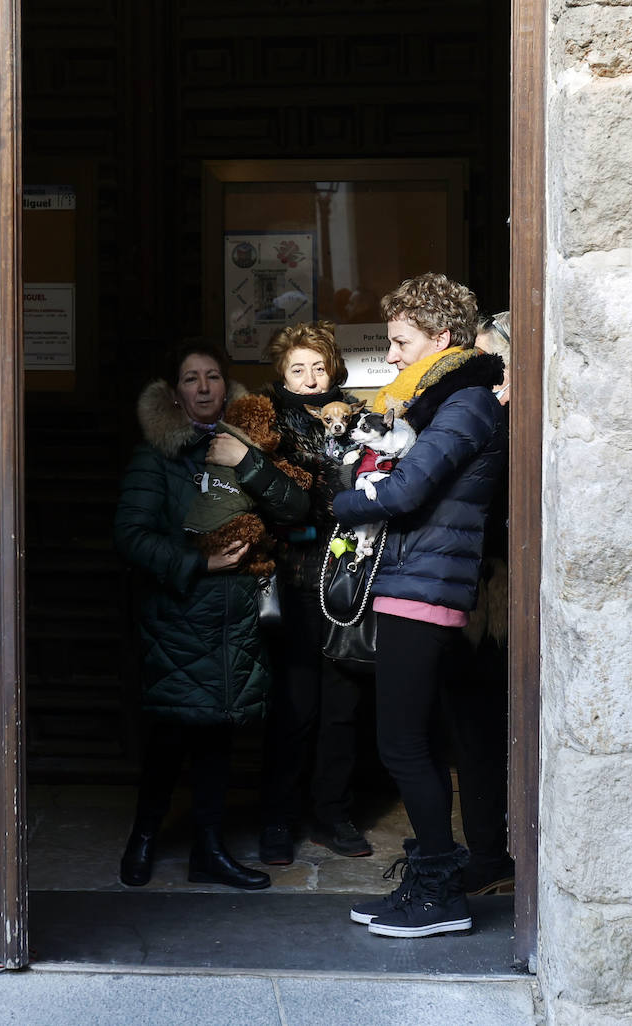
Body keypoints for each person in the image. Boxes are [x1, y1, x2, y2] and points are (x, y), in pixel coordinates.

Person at [334, 272, 507, 938]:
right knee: (415, 745)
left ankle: (439, 892)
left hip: (425, 589)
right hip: (416, 584)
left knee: (402, 746)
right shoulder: (448, 401)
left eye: (401, 340)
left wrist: (342, 503)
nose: (394, 354)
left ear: (441, 337)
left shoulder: (463, 403)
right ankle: (432, 877)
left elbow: (405, 494)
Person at [115, 340, 309, 890]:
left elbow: (295, 508)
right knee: (171, 736)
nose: (204, 388)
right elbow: (129, 535)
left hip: (239, 623)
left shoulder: (247, 444)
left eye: (213, 378)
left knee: (219, 739)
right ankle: (144, 838)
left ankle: (209, 850)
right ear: (175, 395)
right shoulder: (157, 456)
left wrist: (244, 461)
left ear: (227, 387)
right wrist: (196, 562)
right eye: (191, 379)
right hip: (181, 617)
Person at [255, 321, 375, 865]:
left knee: (343, 706)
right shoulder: (267, 421)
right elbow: (281, 499)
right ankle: (279, 817)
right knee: (296, 705)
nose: (308, 379)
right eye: (297, 369)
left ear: (334, 369)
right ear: (282, 373)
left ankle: (332, 813)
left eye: (318, 367)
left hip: (350, 580)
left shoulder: (357, 416)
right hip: (296, 579)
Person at [434, 310, 515, 897]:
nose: (488, 376)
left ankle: (491, 856)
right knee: (469, 725)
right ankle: (487, 849)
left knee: (482, 724)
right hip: (475, 591)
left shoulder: (510, 423)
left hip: (497, 597)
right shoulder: (484, 416)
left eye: (496, 363)